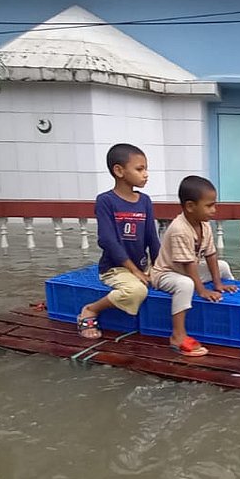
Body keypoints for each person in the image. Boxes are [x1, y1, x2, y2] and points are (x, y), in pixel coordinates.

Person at [77, 143, 161, 339]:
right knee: (137, 291)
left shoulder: (145, 201)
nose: (146, 174)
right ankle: (90, 310)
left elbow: (152, 238)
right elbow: (108, 240)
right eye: (140, 169)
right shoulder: (106, 201)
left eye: (146, 169)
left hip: (142, 266)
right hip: (115, 268)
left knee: (174, 279)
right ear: (119, 170)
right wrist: (135, 271)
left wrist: (158, 268)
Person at [150, 175, 238, 357]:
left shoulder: (204, 225)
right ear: (190, 206)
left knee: (222, 266)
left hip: (185, 270)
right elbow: (190, 266)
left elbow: (211, 254)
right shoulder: (179, 229)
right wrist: (202, 290)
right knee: (186, 284)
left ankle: (231, 308)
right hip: (165, 274)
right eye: (209, 205)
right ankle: (178, 336)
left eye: (214, 204)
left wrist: (218, 283)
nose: (214, 210)